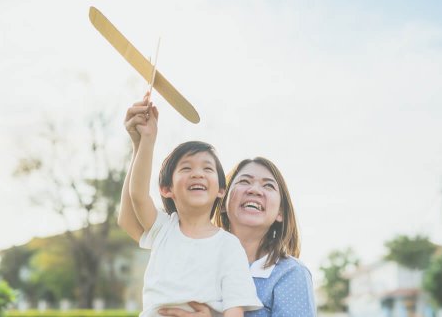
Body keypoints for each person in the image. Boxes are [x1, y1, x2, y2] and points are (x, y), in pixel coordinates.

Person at [118, 95, 262, 317]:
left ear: (221, 191)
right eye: (186, 168)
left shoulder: (229, 246)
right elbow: (136, 194)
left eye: (207, 169)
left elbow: (235, 310)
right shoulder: (163, 229)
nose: (197, 173)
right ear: (167, 189)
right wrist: (145, 141)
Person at [159, 157, 317, 316]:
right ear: (223, 202)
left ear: (280, 212)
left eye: (268, 185)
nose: (254, 190)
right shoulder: (193, 259)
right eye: (244, 181)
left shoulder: (291, 273)